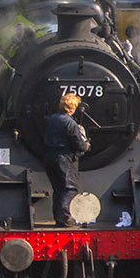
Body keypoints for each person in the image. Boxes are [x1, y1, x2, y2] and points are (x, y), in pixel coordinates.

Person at [45, 92, 90, 226]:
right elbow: (79, 144)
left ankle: (58, 218)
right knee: (70, 188)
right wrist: (86, 145)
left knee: (58, 188)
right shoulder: (70, 123)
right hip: (63, 158)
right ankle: (65, 218)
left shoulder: (52, 118)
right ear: (72, 108)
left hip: (49, 156)